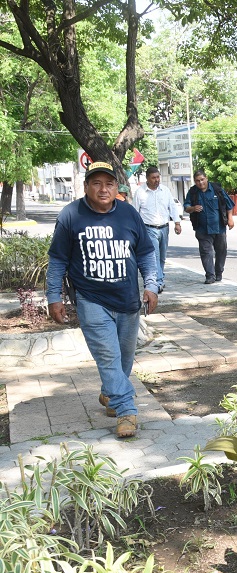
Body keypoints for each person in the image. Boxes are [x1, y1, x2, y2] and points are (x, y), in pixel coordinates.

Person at [45, 161, 159, 438]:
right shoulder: (71, 215)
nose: (103, 189)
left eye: (108, 183)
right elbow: (58, 259)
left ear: (116, 187)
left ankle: (110, 394)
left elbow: (145, 252)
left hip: (128, 300)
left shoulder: (129, 215)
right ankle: (126, 411)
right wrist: (53, 297)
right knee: (108, 357)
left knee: (124, 359)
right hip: (91, 299)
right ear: (86, 187)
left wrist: (152, 285)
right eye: (96, 183)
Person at [133, 166, 181, 293]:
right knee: (154, 255)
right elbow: (135, 213)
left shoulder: (165, 191)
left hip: (164, 228)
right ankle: (158, 282)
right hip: (148, 229)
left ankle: (159, 278)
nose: (156, 180)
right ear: (147, 178)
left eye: (158, 177)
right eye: (153, 178)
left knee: (162, 256)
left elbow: (172, 207)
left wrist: (177, 223)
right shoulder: (140, 192)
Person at [184, 169, 234, 284]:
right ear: (194, 182)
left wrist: (230, 219)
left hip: (219, 227)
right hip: (202, 229)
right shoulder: (193, 192)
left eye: (202, 179)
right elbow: (186, 206)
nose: (200, 183)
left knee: (221, 251)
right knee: (206, 252)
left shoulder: (217, 189)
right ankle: (210, 276)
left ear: (206, 178)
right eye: (197, 181)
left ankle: (219, 273)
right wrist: (193, 208)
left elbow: (229, 204)